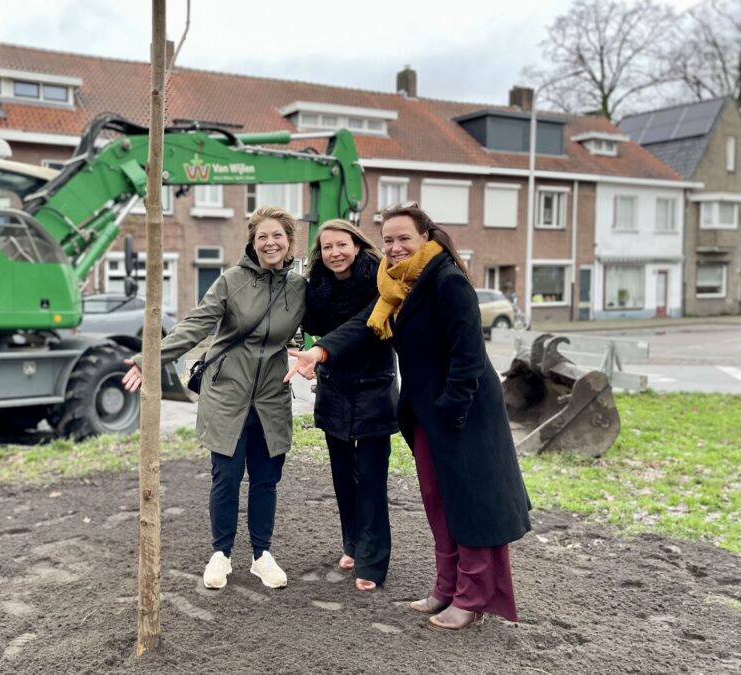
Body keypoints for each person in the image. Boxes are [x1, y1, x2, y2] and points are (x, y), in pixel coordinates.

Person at [285, 203, 531, 631]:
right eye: (389, 240)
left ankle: (471, 598)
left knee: (470, 503)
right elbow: (366, 326)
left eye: (404, 239)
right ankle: (445, 587)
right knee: (438, 501)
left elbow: (469, 356)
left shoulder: (448, 280)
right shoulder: (397, 287)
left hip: (461, 410)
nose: (395, 247)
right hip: (426, 412)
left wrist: (451, 410)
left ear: (426, 238)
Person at [123, 205, 306, 590]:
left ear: (289, 242)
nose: (270, 243)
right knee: (225, 478)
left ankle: (262, 555)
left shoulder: (299, 288)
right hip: (226, 396)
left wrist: (321, 356)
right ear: (252, 243)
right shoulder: (231, 282)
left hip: (272, 397)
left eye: (277, 236)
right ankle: (220, 554)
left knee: (265, 481)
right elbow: (194, 326)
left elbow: (330, 326)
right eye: (262, 237)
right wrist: (148, 359)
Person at [301, 219, 398, 593]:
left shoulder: (381, 281)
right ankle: (353, 544)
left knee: (372, 479)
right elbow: (303, 319)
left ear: (357, 245)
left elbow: (365, 324)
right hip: (334, 386)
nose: (335, 253)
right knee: (343, 474)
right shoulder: (319, 289)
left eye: (341, 244)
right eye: (327, 247)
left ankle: (374, 562)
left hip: (373, 387)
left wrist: (321, 349)